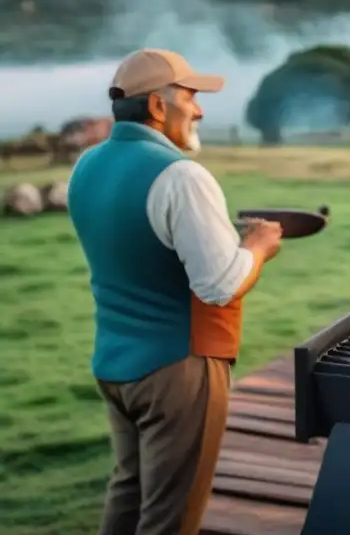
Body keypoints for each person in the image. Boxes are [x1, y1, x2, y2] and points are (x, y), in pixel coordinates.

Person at [66, 49, 284, 535]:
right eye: (190, 97)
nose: (199, 109)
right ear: (157, 106)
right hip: (179, 369)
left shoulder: (87, 165)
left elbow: (135, 242)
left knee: (130, 492)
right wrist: (258, 246)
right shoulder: (181, 175)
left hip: (115, 363)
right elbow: (220, 284)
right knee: (171, 517)